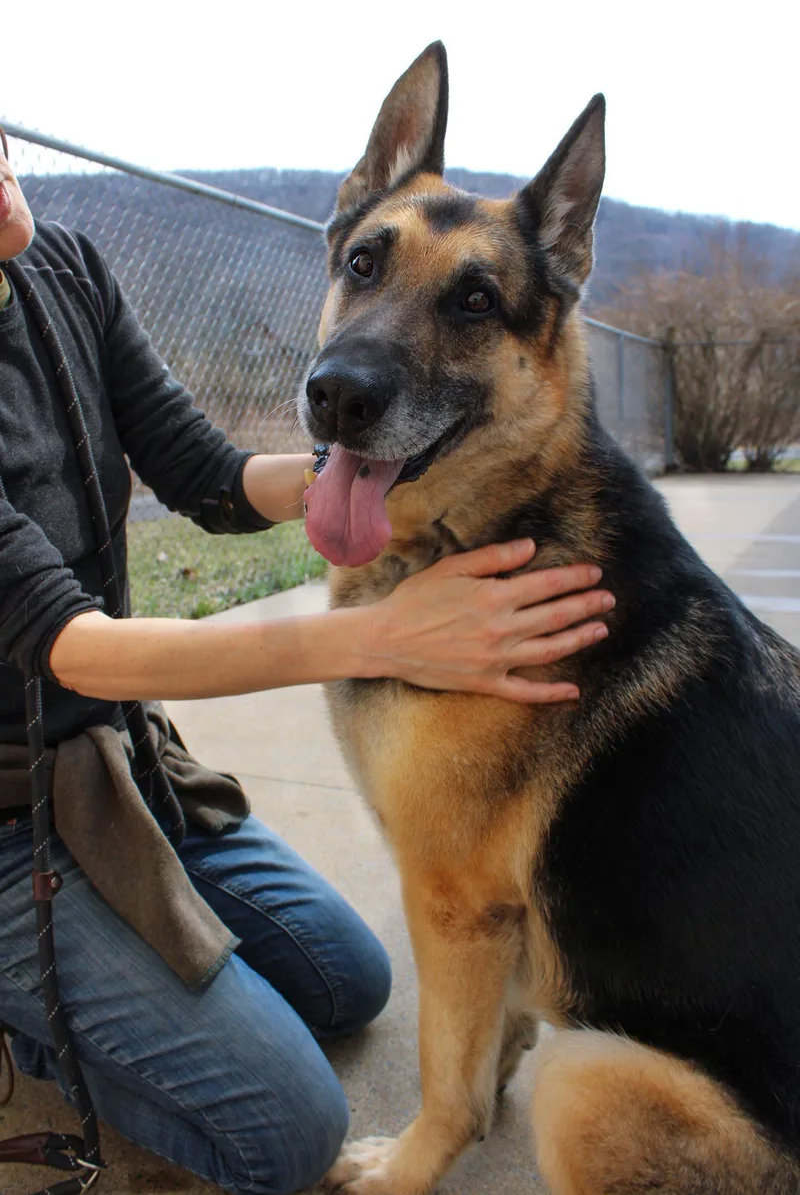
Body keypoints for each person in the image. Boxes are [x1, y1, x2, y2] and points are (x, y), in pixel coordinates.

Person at [0, 127, 613, 1195]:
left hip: (122, 768)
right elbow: (76, 648)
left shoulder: (66, 267)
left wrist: (391, 469)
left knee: (349, 981)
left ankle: (128, 953)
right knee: (284, 1131)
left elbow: (204, 471)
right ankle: (36, 1011)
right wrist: (383, 633)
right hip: (11, 824)